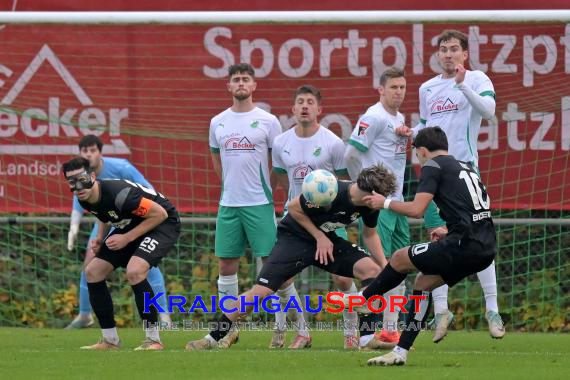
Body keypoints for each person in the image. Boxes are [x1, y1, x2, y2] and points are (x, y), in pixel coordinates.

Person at [185, 165, 396, 351]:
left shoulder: (369, 206)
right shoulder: (329, 188)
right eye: (382, 197)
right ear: (372, 194)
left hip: (325, 243)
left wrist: (386, 267)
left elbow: (370, 235)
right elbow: (294, 208)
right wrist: (319, 236)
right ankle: (212, 338)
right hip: (294, 239)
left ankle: (366, 339)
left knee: (373, 271)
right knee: (262, 291)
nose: (382, 202)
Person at [345, 127, 496, 366]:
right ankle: (400, 352)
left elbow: (416, 209)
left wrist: (383, 202)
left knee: (399, 257)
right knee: (423, 283)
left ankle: (364, 297)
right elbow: (477, 210)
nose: (417, 158)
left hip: (464, 244)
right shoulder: (465, 167)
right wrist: (449, 229)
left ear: (422, 150)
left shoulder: (432, 167)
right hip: (486, 247)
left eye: (416, 153)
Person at [396, 29, 504, 340]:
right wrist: (410, 131)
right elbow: (428, 127)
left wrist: (462, 86)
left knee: (478, 239)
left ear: (464, 54)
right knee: (436, 240)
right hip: (434, 172)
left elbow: (489, 112)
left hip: (465, 171)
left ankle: (492, 309)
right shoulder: (428, 88)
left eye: (454, 49)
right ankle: (441, 311)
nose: (448, 54)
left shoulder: (478, 79)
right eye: (443, 49)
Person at [271, 84, 359, 350]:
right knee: (283, 278)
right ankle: (302, 332)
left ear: (319, 109)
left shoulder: (332, 142)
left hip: (329, 220)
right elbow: (284, 181)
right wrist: (298, 208)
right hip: (295, 220)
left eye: (310, 102)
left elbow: (344, 182)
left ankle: (351, 334)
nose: (305, 106)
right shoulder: (281, 143)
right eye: (300, 102)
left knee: (343, 278)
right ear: (293, 108)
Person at [62, 157, 181, 350]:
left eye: (81, 179)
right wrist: (100, 238)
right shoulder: (84, 197)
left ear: (93, 176)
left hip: (163, 224)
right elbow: (104, 214)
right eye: (71, 182)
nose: (78, 186)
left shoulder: (120, 194)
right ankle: (110, 341)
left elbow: (160, 214)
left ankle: (154, 340)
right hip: (134, 223)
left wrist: (126, 238)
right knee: (92, 272)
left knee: (135, 271)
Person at [209, 63, 282, 348]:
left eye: (245, 79)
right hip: (229, 204)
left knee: (271, 266)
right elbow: (216, 158)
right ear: (228, 86)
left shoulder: (268, 121)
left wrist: (268, 189)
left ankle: (279, 329)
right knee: (226, 265)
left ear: (254, 86)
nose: (240, 83)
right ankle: (228, 329)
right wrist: (229, 185)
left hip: (260, 203)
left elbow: (278, 162)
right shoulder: (218, 122)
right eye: (236, 79)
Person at [344, 67, 411, 350]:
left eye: (402, 87)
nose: (399, 92)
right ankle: (370, 331)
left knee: (402, 263)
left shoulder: (399, 119)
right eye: (393, 87)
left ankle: (391, 331)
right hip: (379, 204)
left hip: (396, 202)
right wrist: (364, 189)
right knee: (381, 266)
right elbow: (351, 153)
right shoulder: (372, 117)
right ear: (381, 90)